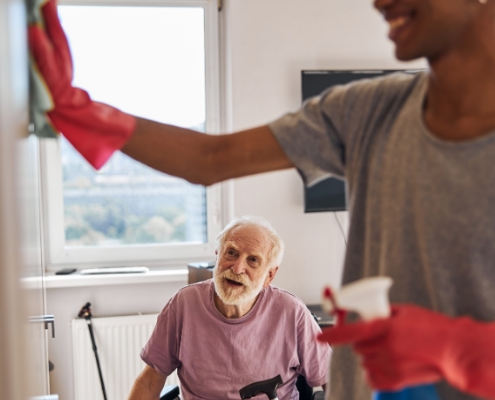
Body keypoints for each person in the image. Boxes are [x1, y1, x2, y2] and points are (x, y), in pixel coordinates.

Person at [28, 0, 495, 399]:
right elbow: (210, 157)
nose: (378, 3)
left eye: (252, 260)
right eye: (231, 253)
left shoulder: (288, 312)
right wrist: (78, 107)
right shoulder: (371, 110)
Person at [127, 216, 330, 400]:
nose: (237, 268)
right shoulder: (184, 305)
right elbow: (150, 381)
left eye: (253, 260)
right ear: (217, 257)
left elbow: (334, 382)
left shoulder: (292, 313)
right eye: (231, 253)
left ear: (269, 275)